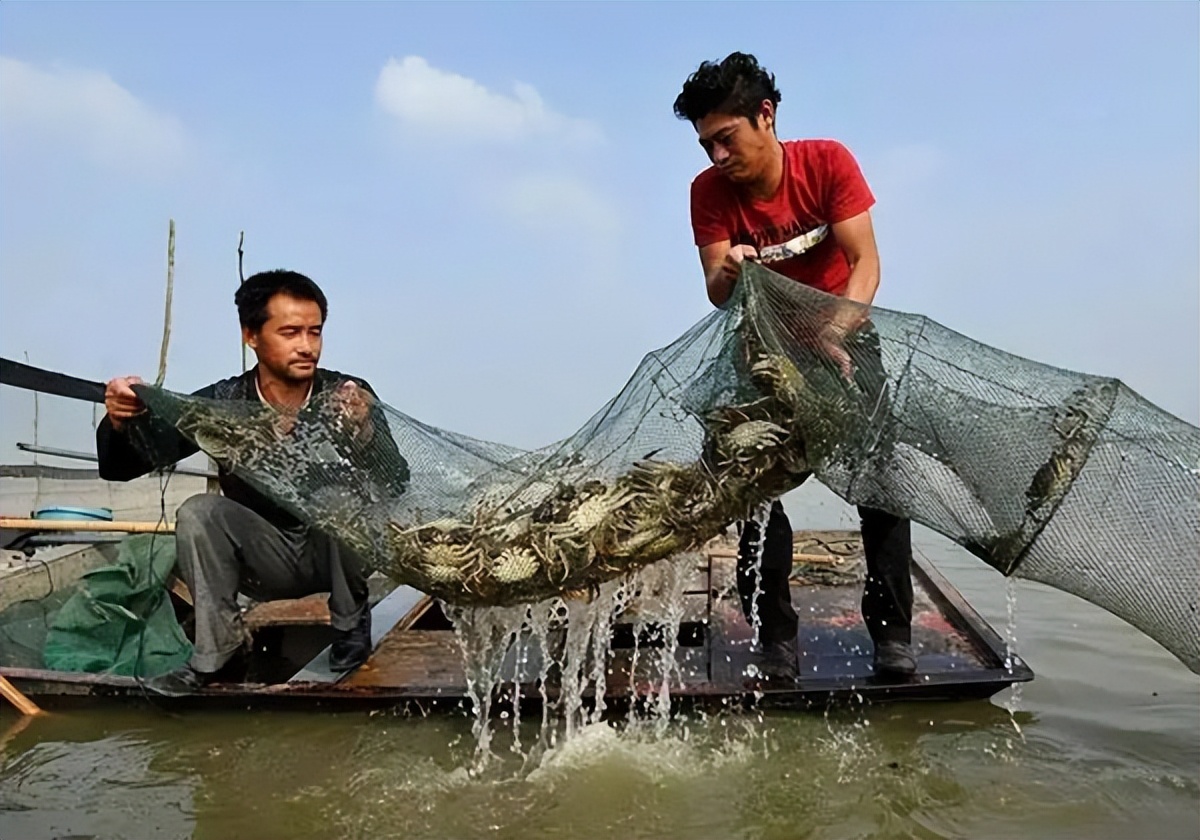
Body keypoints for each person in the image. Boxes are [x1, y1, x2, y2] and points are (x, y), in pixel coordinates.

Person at [674, 52, 916, 680]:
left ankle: (892, 637)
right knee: (755, 494)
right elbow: (715, 288)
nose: (717, 157)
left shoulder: (827, 163)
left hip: (847, 341)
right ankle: (775, 637)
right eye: (706, 145)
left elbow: (866, 265)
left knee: (881, 489)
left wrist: (835, 333)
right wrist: (728, 268)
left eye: (726, 139)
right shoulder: (708, 192)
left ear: (766, 115)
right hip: (761, 354)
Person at [97, 269, 409, 695]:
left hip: (338, 554)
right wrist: (118, 420)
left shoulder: (346, 395)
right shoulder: (222, 404)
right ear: (251, 335)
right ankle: (217, 654)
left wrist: (366, 431)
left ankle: (351, 630)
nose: (306, 346)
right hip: (265, 561)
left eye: (314, 332)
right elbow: (121, 467)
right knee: (198, 513)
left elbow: (395, 481)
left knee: (340, 498)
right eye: (290, 332)